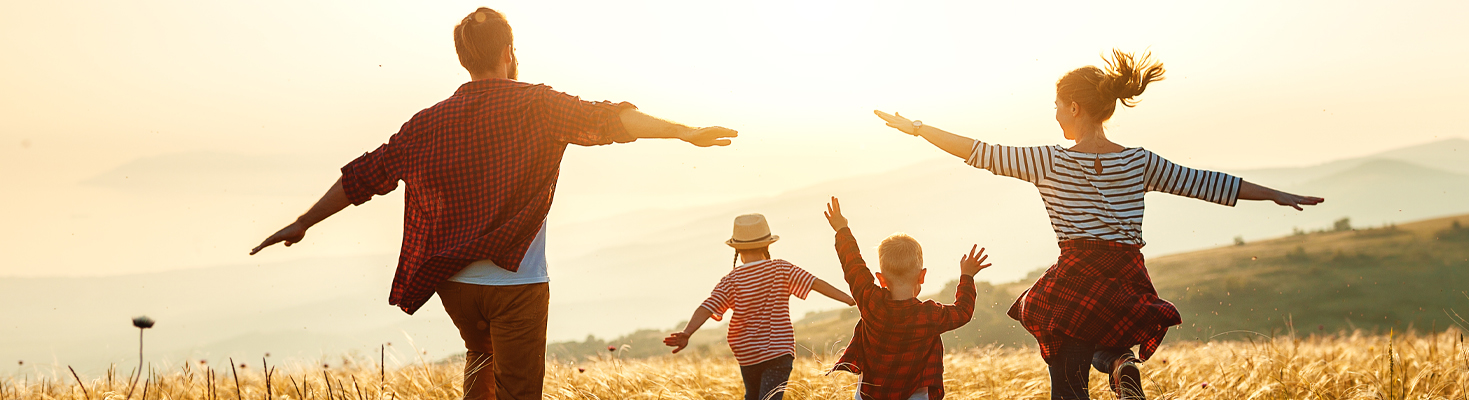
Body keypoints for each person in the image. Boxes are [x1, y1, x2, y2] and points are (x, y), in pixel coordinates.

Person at [248, 7, 738, 400]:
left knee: (479, 358)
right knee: (519, 391)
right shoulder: (538, 105)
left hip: (454, 285)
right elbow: (610, 120)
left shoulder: (428, 122)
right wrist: (684, 132)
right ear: (509, 52)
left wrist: (302, 221)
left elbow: (366, 176)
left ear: (464, 59)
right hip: (517, 285)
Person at [872, 50, 1323, 400]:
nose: (1053, 115)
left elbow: (978, 151)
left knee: (1056, 354)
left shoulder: (1048, 161)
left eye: (1055, 106)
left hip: (1077, 271)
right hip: (1126, 274)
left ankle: (1114, 364)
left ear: (1073, 107)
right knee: (1104, 338)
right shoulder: (1138, 161)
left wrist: (918, 129)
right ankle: (1119, 364)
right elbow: (1204, 183)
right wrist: (1275, 194)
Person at [664, 213, 855, 400]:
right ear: (767, 244)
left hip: (747, 355)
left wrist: (687, 332)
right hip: (778, 352)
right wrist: (848, 298)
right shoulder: (781, 268)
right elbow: (815, 283)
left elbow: (706, 307)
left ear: (737, 249)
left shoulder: (731, 280)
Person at [822, 197, 989, 400]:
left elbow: (853, 265)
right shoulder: (929, 315)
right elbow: (963, 311)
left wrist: (842, 229)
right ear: (922, 275)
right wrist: (967, 277)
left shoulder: (870, 301)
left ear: (881, 279)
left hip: (869, 395)